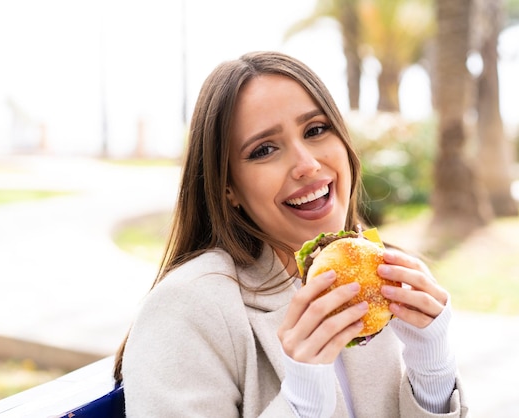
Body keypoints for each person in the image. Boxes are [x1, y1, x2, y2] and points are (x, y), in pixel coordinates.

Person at [113, 51, 468, 418]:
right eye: (264, 150)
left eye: (315, 130)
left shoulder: (382, 278)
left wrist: (433, 373)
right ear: (226, 187)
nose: (307, 165)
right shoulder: (184, 310)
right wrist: (302, 402)